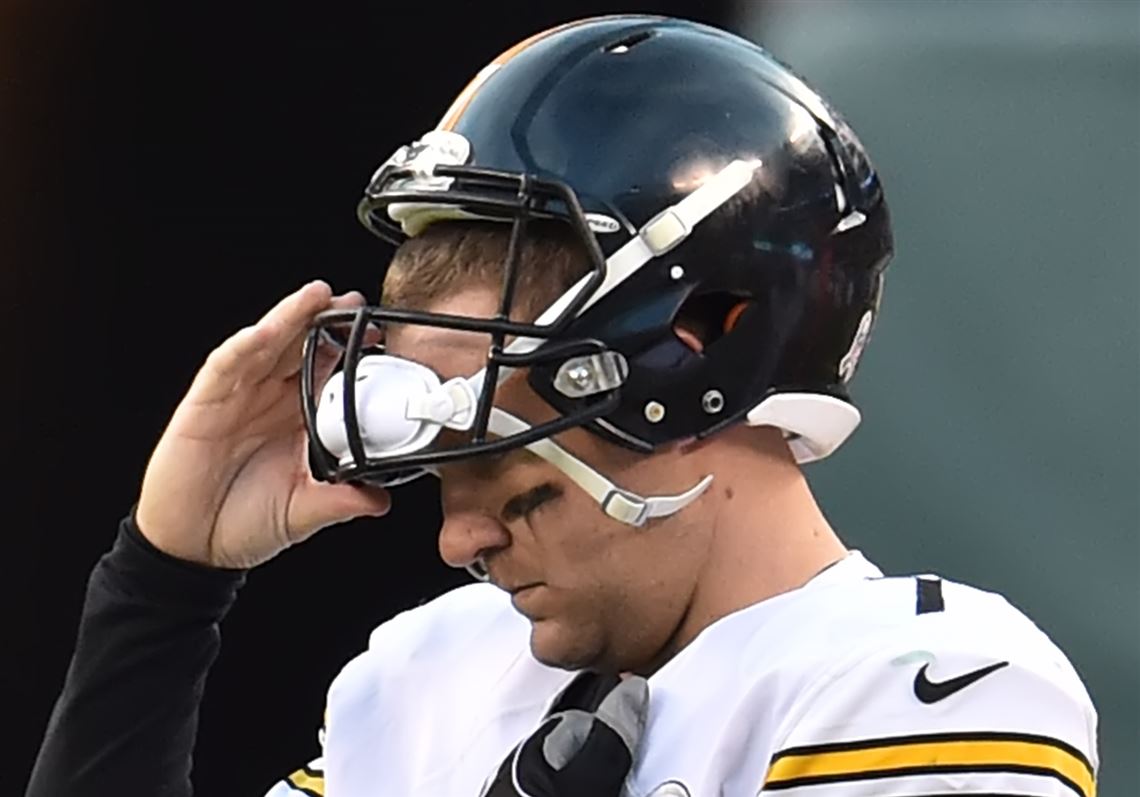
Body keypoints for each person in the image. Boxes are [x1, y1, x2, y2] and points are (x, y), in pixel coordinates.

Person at [28, 15, 1099, 797]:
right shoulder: (427, 673)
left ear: (700, 345)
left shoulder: (934, 683)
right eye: (445, 473)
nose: (456, 539)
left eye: (512, 471)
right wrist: (164, 585)